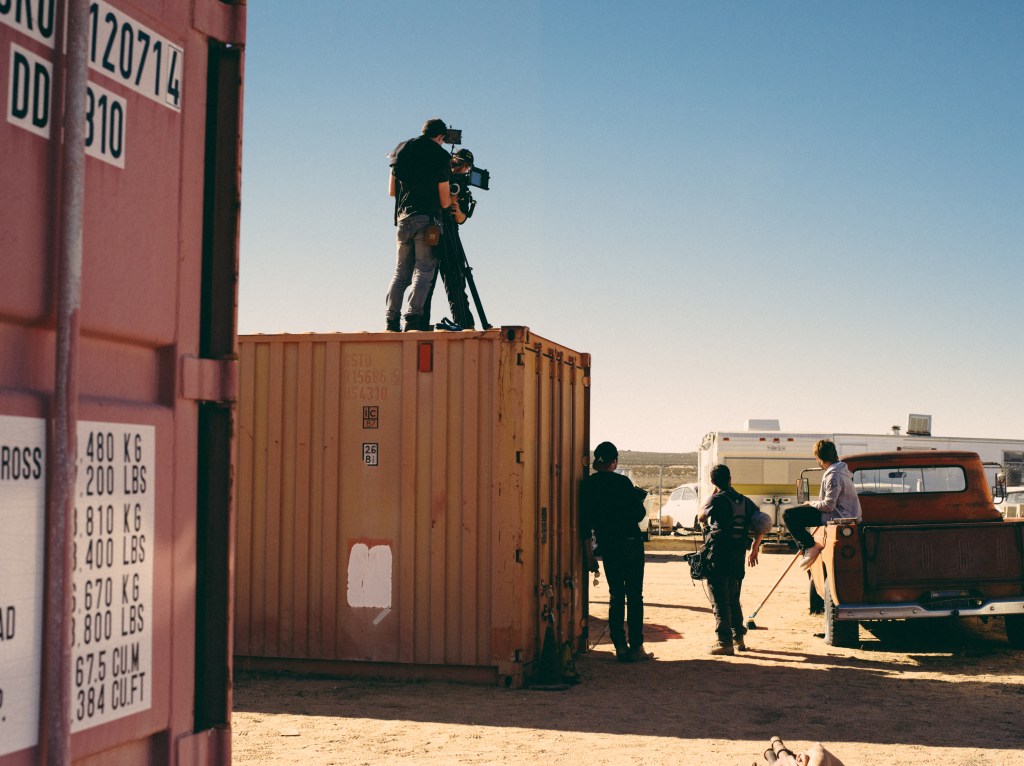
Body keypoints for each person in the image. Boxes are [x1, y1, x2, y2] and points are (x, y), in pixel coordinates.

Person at [580, 441, 653, 663]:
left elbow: (585, 523)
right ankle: (636, 646)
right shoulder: (623, 482)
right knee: (634, 596)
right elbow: (639, 514)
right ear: (614, 462)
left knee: (616, 596)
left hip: (609, 545)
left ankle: (619, 645)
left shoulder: (588, 486)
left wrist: (589, 556)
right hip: (631, 543)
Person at [385, 118, 454, 332]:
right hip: (428, 220)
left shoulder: (401, 149)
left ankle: (391, 320)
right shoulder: (441, 156)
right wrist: (453, 200)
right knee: (423, 271)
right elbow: (444, 201)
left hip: (404, 219)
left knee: (400, 273)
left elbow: (392, 191)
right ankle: (413, 318)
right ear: (441, 137)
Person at [697, 463, 766, 656]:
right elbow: (763, 522)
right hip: (738, 555)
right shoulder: (744, 501)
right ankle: (738, 638)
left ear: (712, 482)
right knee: (734, 596)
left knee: (719, 597)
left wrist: (712, 494)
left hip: (719, 554)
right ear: (730, 479)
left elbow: (701, 517)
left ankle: (724, 642)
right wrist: (755, 547)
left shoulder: (717, 499)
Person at [782, 439, 862, 570]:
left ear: (819, 458)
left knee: (789, 515)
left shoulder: (834, 475)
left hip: (837, 516)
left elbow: (828, 506)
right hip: (844, 514)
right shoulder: (843, 472)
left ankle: (810, 546)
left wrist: (810, 503)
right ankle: (809, 546)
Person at [422, 148, 476, 330]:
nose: (462, 169)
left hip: (451, 233)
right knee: (425, 278)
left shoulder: (464, 189)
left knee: (456, 279)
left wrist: (458, 210)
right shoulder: (437, 175)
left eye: (467, 166)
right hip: (432, 229)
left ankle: (464, 321)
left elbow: (462, 218)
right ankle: (419, 322)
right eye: (458, 164)